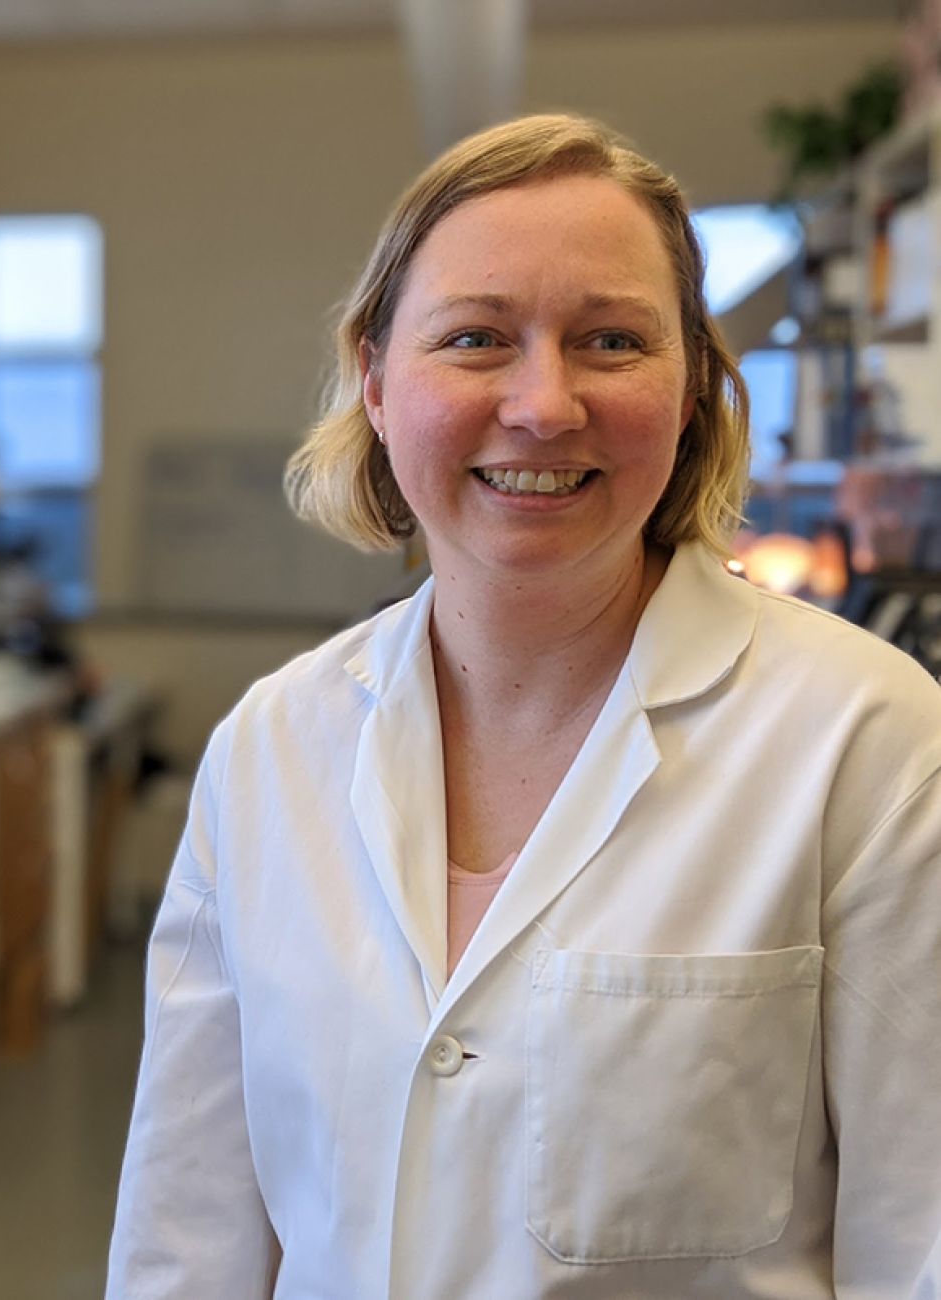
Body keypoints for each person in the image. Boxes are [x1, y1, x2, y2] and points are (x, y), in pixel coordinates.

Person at [106, 114, 941, 1298]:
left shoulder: (867, 745)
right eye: (476, 338)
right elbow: (182, 1245)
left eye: (610, 339)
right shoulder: (269, 750)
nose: (544, 406)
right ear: (376, 378)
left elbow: (920, 1250)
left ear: (693, 387)